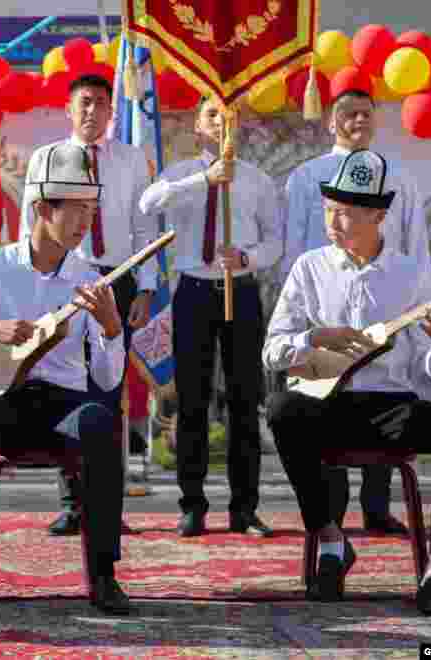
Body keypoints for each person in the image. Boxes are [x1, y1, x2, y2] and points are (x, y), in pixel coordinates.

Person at [263, 149, 431, 619]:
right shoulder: (309, 268)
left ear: (380, 215)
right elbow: (272, 351)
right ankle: (330, 541)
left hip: (393, 409)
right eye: (329, 210)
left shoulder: (410, 273)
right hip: (329, 406)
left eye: (346, 212)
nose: (334, 221)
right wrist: (313, 339)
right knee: (282, 409)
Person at [0, 142, 131, 615]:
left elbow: (105, 375)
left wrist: (110, 328)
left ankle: (104, 574)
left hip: (63, 407)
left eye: (90, 208)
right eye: (75, 209)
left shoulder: (90, 277)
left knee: (101, 421)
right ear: (41, 208)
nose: (85, 221)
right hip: (5, 400)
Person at [282, 89, 431, 535]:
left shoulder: (399, 177)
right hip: (324, 297)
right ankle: (329, 514)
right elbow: (295, 242)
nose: (358, 121)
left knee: (383, 387)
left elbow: (414, 239)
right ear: (331, 122)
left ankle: (376, 506)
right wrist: (305, 306)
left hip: (386, 294)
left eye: (367, 114)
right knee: (325, 395)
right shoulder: (307, 176)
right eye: (348, 114)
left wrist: (420, 298)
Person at [139, 95, 284, 538]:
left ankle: (244, 507)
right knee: (193, 402)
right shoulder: (180, 174)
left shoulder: (258, 181)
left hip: (239, 293)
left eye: (229, 117)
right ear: (197, 128)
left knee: (244, 402)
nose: (221, 124)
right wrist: (204, 179)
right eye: (211, 116)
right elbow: (149, 204)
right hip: (194, 293)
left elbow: (274, 242)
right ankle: (192, 504)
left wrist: (246, 256)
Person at [21, 73, 157, 536]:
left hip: (115, 279)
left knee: (107, 393)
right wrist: (36, 284)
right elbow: (29, 227)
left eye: (100, 103)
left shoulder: (132, 160)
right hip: (64, 281)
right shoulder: (45, 159)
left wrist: (145, 289)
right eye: (84, 103)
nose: (92, 111)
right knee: (67, 388)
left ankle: (106, 506)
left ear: (110, 111)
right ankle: (72, 504)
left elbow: (144, 229)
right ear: (68, 108)